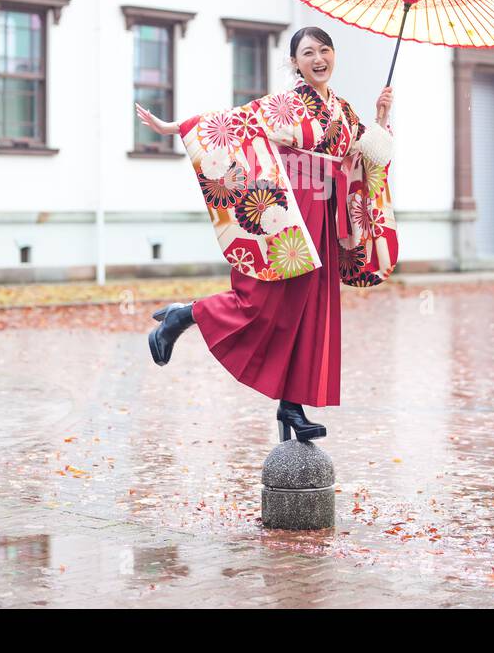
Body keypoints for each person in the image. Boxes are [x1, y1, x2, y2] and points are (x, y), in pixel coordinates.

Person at [134, 26, 398, 443]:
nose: (318, 59)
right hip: (289, 210)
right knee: (263, 301)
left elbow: (367, 153)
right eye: (307, 53)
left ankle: (292, 405)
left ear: (334, 56)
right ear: (294, 62)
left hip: (325, 211)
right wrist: (176, 128)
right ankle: (182, 317)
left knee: (311, 309)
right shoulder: (284, 104)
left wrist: (381, 118)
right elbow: (231, 124)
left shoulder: (344, 112)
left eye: (324, 50)